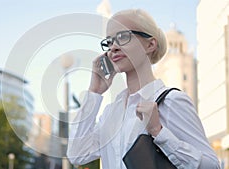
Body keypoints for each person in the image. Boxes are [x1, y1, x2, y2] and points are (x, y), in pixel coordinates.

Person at [67, 9, 220, 169]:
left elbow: (212, 166)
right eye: (109, 42)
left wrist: (159, 132)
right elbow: (77, 154)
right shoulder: (111, 113)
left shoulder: (171, 101)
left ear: (150, 44)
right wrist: (94, 92)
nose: (113, 48)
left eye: (123, 37)